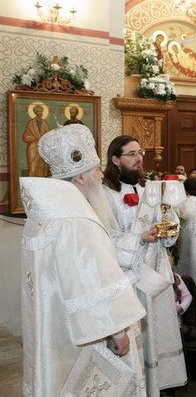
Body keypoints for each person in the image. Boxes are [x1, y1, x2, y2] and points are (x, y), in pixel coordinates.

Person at [21, 124, 146, 395]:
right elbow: (92, 281)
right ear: (79, 178)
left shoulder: (42, 216)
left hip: (54, 333)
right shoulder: (78, 220)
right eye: (96, 170)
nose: (101, 176)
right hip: (87, 339)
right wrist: (118, 333)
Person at [103, 135, 188, 394]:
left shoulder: (150, 188)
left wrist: (168, 230)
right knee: (136, 337)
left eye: (140, 152)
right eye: (132, 153)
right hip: (129, 276)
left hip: (156, 272)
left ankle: (161, 387)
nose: (139, 158)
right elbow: (105, 239)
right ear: (116, 159)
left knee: (158, 334)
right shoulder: (105, 194)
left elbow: (170, 225)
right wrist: (139, 237)